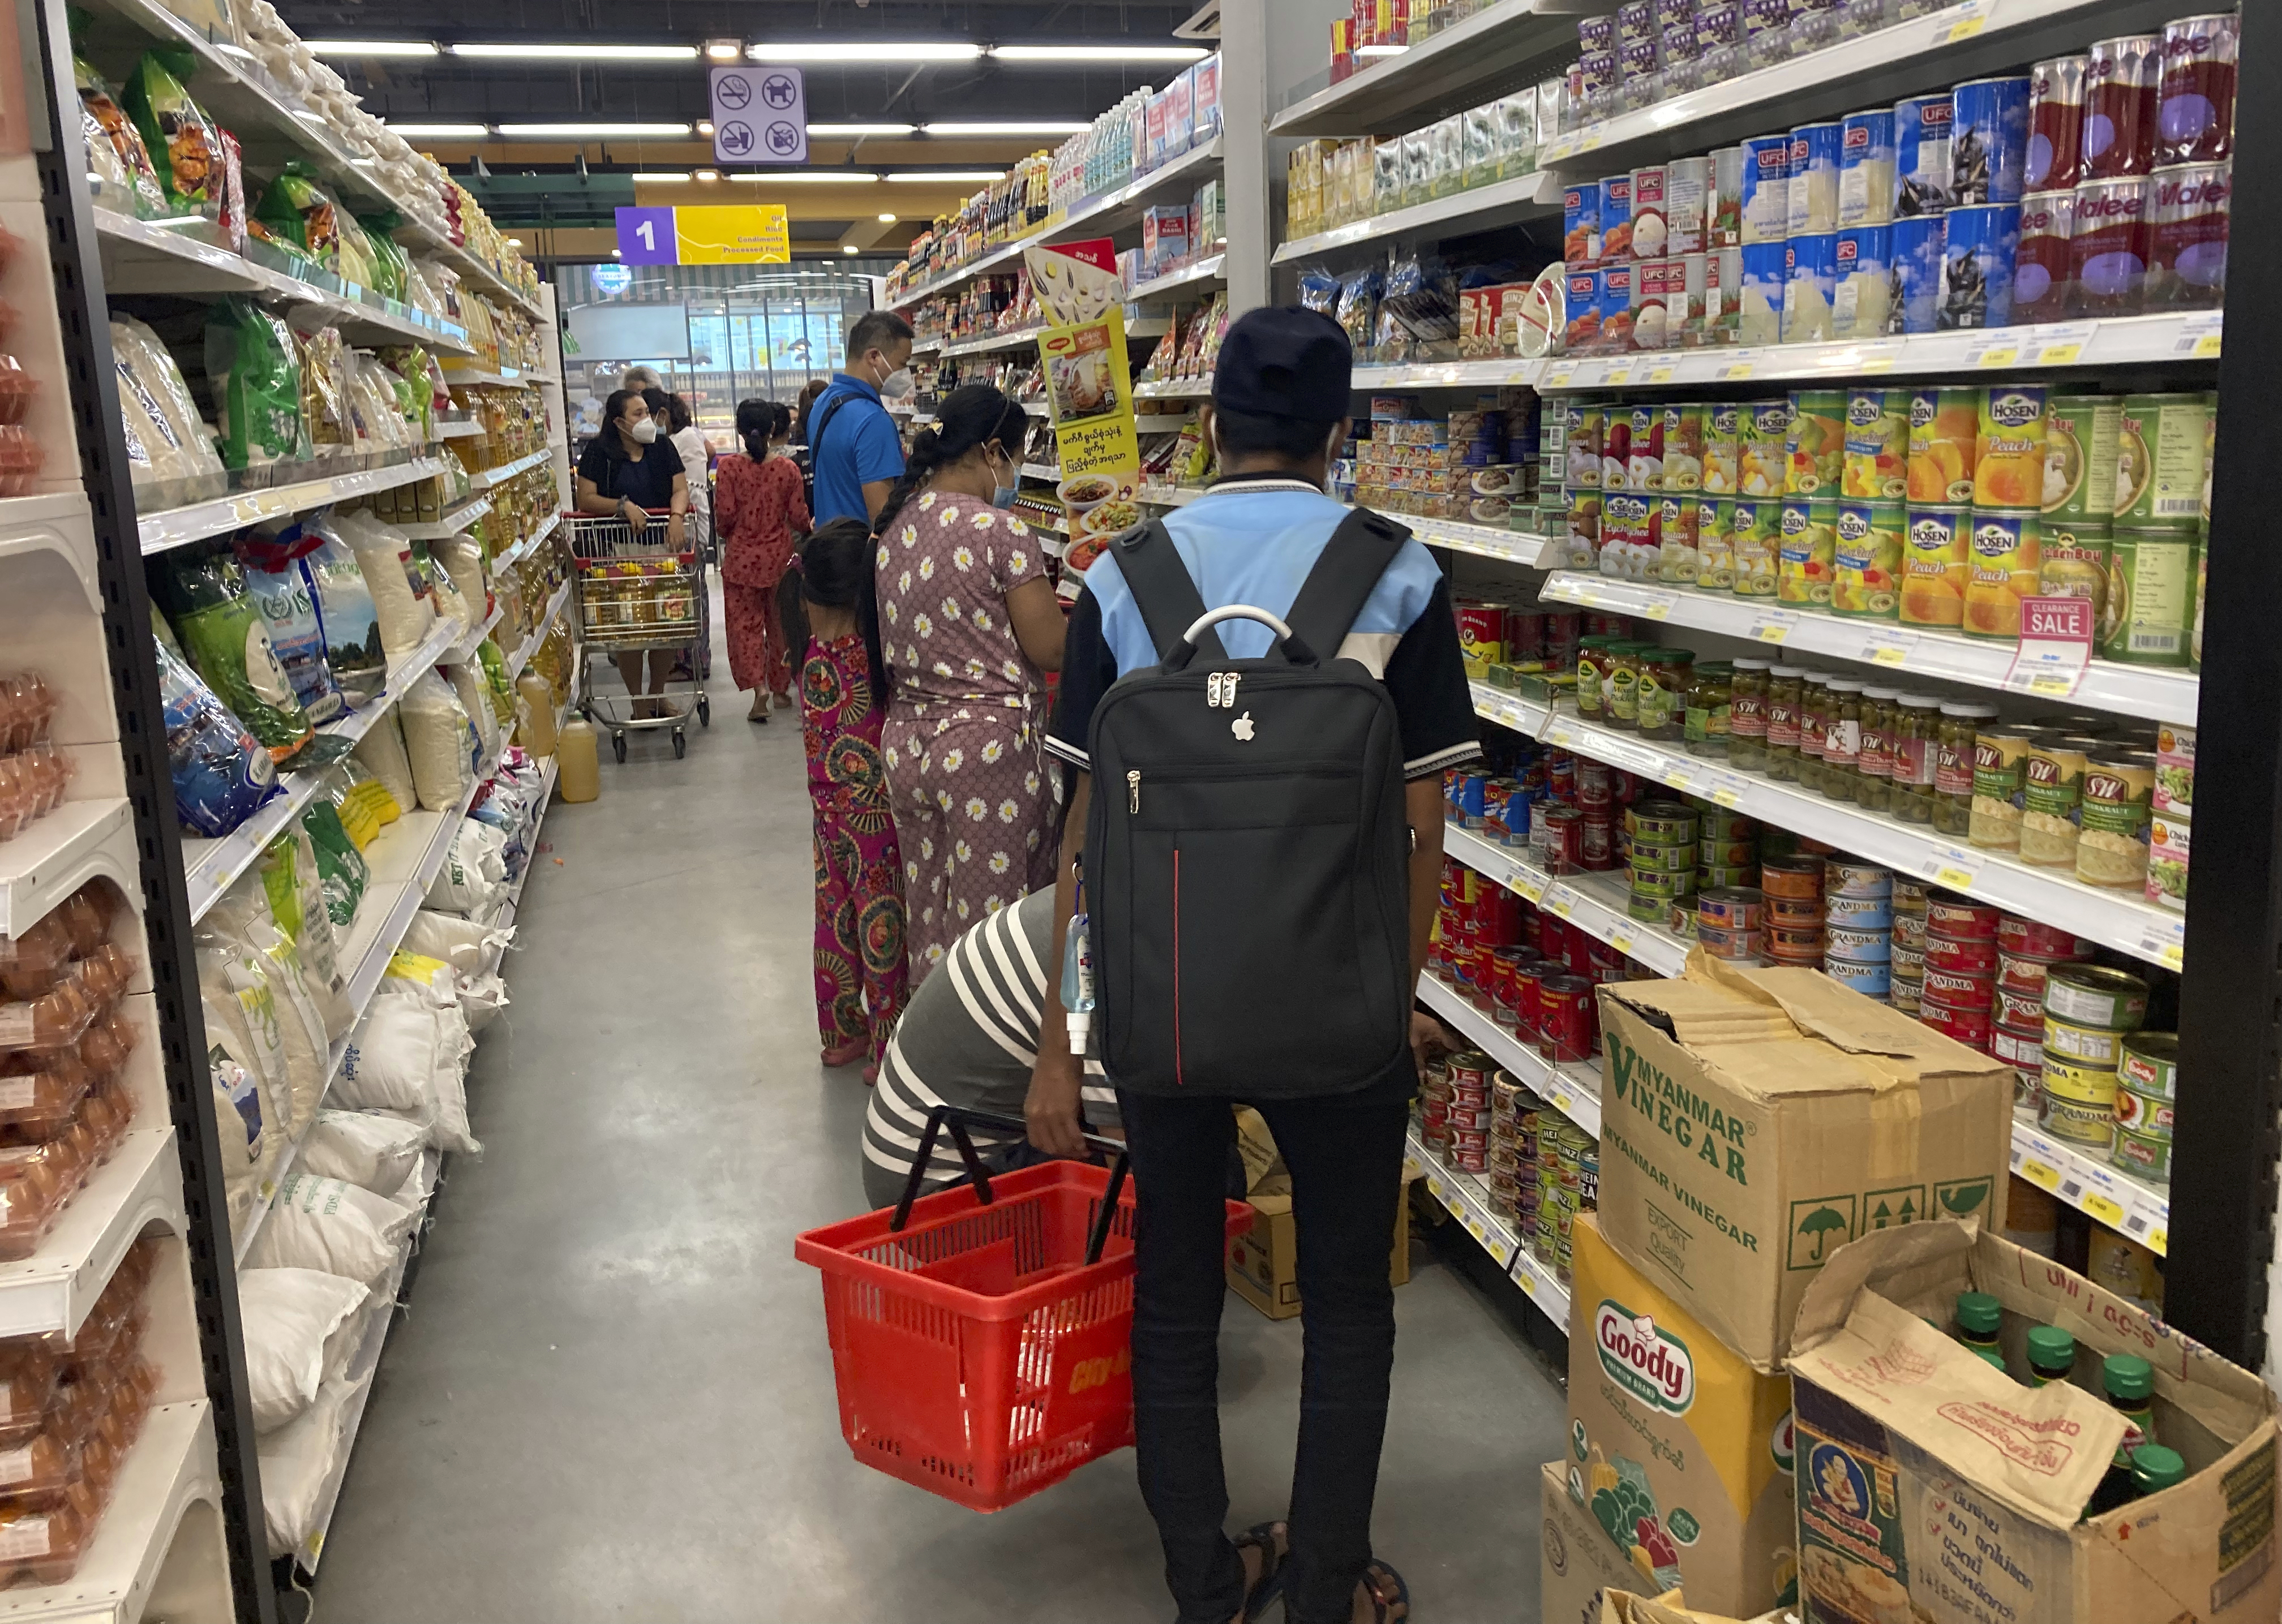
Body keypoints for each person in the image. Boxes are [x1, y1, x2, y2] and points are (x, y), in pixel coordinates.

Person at [1030, 306, 1482, 1624]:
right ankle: (1328, 1589)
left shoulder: (1123, 577)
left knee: (1174, 1293)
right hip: (1339, 1005)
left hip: (1157, 999)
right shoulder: (1397, 576)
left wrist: (1068, 1027)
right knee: (1348, 1300)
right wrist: (1393, 1005)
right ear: (1341, 434)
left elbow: (1076, 841)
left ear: (1213, 424)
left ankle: (1203, 1580)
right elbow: (1422, 832)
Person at [872, 384, 1065, 983]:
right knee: (995, 931)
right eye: (1017, 453)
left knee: (929, 916)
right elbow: (1048, 645)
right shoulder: (1000, 533)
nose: (1015, 469)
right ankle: (993, 1066)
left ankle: (932, 1053)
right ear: (990, 451)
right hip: (987, 755)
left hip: (909, 744)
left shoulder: (895, 527)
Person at [859, 886, 1121, 1209]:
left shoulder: (1087, 895)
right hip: (932, 1195)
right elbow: (1125, 1164)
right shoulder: (1111, 955)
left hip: (918, 1160)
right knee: (1169, 1168)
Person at [797, 518, 910, 1080]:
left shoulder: (812, 652)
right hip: (877, 818)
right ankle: (888, 1043)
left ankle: (841, 1033)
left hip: (826, 816)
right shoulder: (877, 655)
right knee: (881, 918)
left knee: (833, 921)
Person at [575, 388, 689, 717]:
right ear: (619, 422)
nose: (647, 420)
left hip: (662, 549)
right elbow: (586, 498)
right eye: (637, 414)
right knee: (630, 631)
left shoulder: (663, 448)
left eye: (647, 412)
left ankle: (656, 694)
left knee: (666, 628)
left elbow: (679, 489)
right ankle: (638, 700)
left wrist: (676, 517)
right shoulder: (599, 453)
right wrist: (622, 506)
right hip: (617, 552)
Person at [713, 399, 808, 720]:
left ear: (738, 430)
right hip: (780, 560)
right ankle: (781, 689)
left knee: (745, 628)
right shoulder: (788, 470)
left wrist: (736, 532)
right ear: (773, 429)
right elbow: (798, 518)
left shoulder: (728, 468)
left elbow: (724, 518)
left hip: (741, 562)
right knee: (781, 625)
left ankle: (759, 689)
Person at [808, 310, 913, 526]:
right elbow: (882, 518)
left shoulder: (824, 402)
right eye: (903, 363)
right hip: (862, 554)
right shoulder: (873, 421)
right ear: (874, 357)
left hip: (831, 547)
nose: (906, 374)